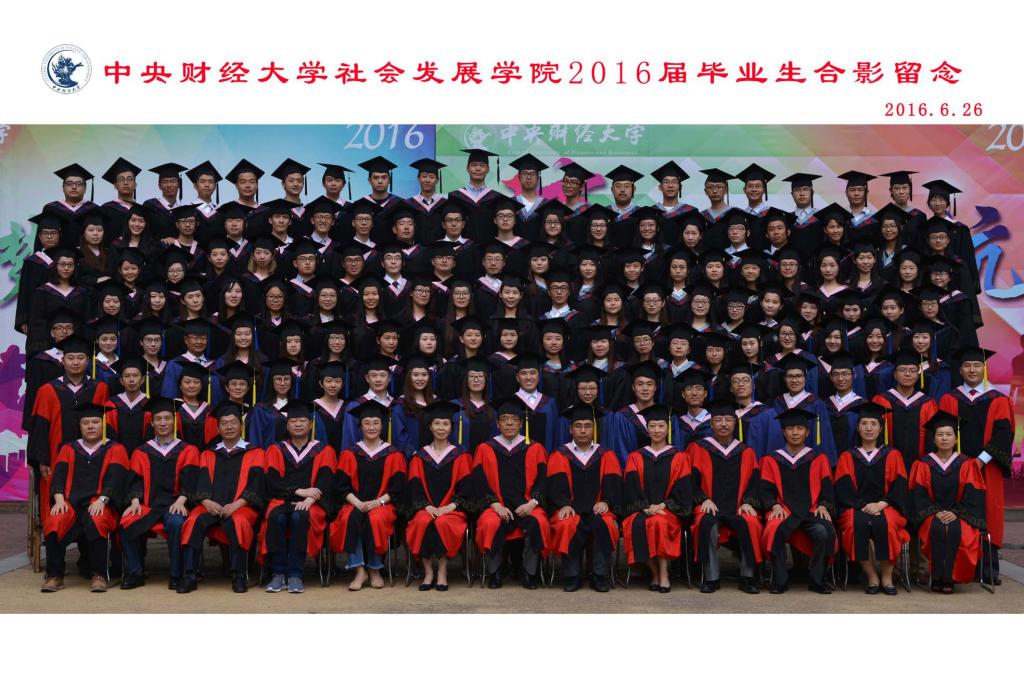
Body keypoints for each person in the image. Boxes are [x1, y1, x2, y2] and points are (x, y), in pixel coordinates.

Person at [938, 346, 1014, 584]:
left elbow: (1003, 434)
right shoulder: (950, 399)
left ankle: (988, 569)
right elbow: (943, 433)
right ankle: (963, 567)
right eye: (967, 366)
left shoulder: (998, 400)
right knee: (958, 510)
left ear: (984, 368)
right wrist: (957, 462)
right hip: (957, 467)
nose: (972, 370)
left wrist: (981, 460)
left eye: (976, 365)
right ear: (960, 370)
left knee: (988, 512)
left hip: (987, 467)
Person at [178, 401, 266, 594]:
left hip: (242, 506)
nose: (229, 427)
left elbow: (257, 484)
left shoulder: (255, 452)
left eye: (233, 422)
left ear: (241, 426)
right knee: (192, 521)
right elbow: (201, 481)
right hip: (210, 505)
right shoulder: (208, 453)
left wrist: (237, 504)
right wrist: (206, 501)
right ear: (217, 428)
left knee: (239, 523)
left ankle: (239, 575)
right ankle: (189, 576)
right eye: (224, 423)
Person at [42, 403, 129, 593]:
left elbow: (116, 477)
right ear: (79, 426)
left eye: (95, 422)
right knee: (55, 520)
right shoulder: (69, 448)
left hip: (99, 502)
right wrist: (59, 499)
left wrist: (103, 499)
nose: (90, 426)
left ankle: (98, 575)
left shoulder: (115, 448)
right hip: (70, 502)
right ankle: (55, 575)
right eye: (85, 422)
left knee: (98, 520)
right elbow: (59, 475)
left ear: (103, 424)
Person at [119, 397, 201, 590]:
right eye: (158, 419)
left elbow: (191, 479)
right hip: (148, 505)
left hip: (175, 503)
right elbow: (135, 479)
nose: (163, 423)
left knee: (176, 523)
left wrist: (182, 500)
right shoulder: (141, 451)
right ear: (152, 423)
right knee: (126, 522)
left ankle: (176, 575)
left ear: (174, 421)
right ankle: (135, 573)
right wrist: (135, 500)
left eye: (167, 418)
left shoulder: (188, 450)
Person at [260, 400, 337, 594]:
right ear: (287, 426)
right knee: (276, 517)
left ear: (311, 425)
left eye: (303, 420)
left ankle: (295, 574)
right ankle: (278, 573)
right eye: (293, 421)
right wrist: (299, 492)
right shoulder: (276, 449)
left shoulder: (324, 450)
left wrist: (310, 500)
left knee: (299, 517)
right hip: (281, 500)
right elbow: (272, 481)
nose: (298, 424)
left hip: (313, 504)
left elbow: (326, 480)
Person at [473, 397, 550, 589]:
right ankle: (495, 572)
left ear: (521, 424)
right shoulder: (485, 449)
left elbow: (544, 480)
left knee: (538, 522)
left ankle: (529, 572)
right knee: (489, 523)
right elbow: (479, 482)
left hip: (528, 504)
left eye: (514, 419)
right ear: (497, 424)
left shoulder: (535, 448)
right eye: (504, 419)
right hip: (496, 505)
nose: (509, 423)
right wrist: (495, 505)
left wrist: (533, 502)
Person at [685, 401, 762, 594]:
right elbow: (689, 481)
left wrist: (747, 502)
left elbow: (754, 482)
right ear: (711, 424)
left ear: (735, 423)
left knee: (751, 522)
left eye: (728, 420)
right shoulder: (698, 449)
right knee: (706, 523)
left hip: (738, 507)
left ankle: (747, 577)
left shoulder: (746, 452)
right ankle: (711, 578)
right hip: (709, 505)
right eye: (718, 420)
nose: (724, 424)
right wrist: (703, 499)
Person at [759, 407, 837, 594]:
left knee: (824, 531)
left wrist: (824, 505)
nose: (795, 432)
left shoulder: (819, 459)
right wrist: (774, 505)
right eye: (790, 428)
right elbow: (765, 489)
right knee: (774, 529)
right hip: (783, 510)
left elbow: (827, 488)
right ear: (783, 432)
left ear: (807, 432)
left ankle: (817, 579)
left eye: (800, 428)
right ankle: (780, 580)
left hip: (811, 510)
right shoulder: (771, 460)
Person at [330, 400, 406, 590]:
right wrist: (357, 503)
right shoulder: (349, 453)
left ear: (382, 425)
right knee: (349, 517)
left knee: (376, 518)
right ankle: (359, 570)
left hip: (382, 504)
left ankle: (374, 568)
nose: (371, 427)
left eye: (376, 423)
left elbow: (397, 488)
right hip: (354, 502)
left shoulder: (393, 454)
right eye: (367, 423)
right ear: (360, 426)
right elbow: (341, 486)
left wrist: (378, 502)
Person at [833, 403, 909, 595]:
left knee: (888, 525)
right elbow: (843, 488)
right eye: (864, 423)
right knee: (854, 525)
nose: (869, 428)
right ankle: (871, 576)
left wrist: (881, 504)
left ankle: (887, 576)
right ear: (858, 428)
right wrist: (864, 506)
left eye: (873, 424)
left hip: (886, 506)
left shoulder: (892, 455)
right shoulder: (847, 456)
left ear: (881, 428)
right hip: (856, 507)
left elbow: (900, 486)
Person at [546, 404, 622, 592]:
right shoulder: (560, 455)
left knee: (605, 523)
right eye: (578, 426)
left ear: (594, 429)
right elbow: (556, 485)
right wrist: (564, 504)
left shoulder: (606, 454)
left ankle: (599, 575)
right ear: (570, 429)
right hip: (571, 508)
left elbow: (613, 483)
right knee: (566, 523)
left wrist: (606, 501)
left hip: (597, 508)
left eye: (587, 426)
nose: (582, 430)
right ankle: (572, 575)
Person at [908, 412, 987, 593]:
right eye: (940, 434)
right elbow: (918, 495)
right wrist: (935, 512)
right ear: (933, 439)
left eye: (949, 434)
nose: (944, 438)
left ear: (956, 439)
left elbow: (973, 495)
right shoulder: (923, 464)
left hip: (960, 515)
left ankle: (949, 578)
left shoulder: (967, 464)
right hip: (931, 514)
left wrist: (955, 512)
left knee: (954, 530)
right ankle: (936, 576)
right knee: (937, 528)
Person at [621, 404, 692, 593]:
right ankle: (654, 572)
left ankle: (663, 573)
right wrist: (645, 507)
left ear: (668, 428)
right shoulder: (635, 457)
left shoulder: (680, 457)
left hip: (668, 511)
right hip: (641, 509)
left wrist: (662, 505)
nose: (657, 430)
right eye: (652, 426)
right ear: (647, 429)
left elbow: (683, 489)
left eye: (661, 426)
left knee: (658, 522)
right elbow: (631, 487)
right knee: (634, 525)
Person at [404, 401, 475, 591]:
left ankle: (442, 571)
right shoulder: (420, 457)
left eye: (445, 424)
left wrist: (450, 506)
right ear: (430, 427)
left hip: (452, 510)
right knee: (421, 522)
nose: (441, 428)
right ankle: (428, 572)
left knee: (443, 522)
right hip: (425, 508)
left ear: (451, 427)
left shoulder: (460, 456)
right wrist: (426, 506)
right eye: (437, 423)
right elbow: (415, 486)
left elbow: (466, 488)